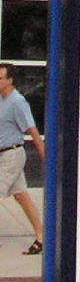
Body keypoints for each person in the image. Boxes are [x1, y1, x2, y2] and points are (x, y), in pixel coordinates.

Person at [0, 62, 44, 254]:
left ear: (10, 80)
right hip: (3, 154)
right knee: (22, 197)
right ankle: (41, 238)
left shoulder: (18, 102)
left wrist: (43, 153)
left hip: (12, 155)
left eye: (0, 78)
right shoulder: (1, 100)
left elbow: (31, 129)